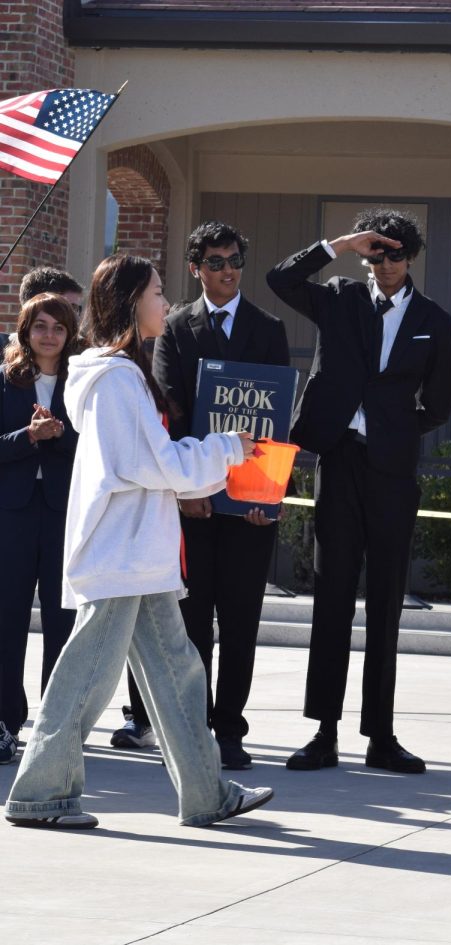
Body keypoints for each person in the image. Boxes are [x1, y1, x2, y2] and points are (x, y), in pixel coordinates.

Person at [4, 254, 273, 829]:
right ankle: (41, 792)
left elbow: (151, 466)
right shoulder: (115, 380)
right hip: (120, 555)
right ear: (131, 303)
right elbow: (148, 464)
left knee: (178, 677)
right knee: (84, 680)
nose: (166, 302)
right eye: (157, 292)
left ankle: (205, 794)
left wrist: (218, 454)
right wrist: (225, 449)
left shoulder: (117, 375)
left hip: (137, 555)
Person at [268, 207, 451, 774]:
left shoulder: (433, 319)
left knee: (386, 601)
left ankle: (381, 735)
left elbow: (441, 402)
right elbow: (281, 279)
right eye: (378, 251)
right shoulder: (341, 296)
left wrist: (394, 430)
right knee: (331, 595)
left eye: (397, 253)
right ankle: (323, 732)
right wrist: (340, 244)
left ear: (413, 257)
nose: (387, 263)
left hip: (392, 470)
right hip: (339, 458)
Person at [109, 222, 291, 770]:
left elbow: (271, 418)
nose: (227, 270)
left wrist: (266, 494)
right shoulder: (176, 328)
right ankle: (191, 729)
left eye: (234, 259)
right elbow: (172, 414)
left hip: (248, 504)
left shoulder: (269, 327)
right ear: (196, 269)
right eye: (215, 262)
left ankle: (230, 731)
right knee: (191, 625)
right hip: (193, 502)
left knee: (240, 621)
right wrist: (188, 489)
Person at [0, 293, 80, 765]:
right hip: (12, 513)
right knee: (7, 619)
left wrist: (59, 434)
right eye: (40, 326)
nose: (49, 335)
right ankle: (6, 722)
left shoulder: (81, 382)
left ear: (70, 335)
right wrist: (29, 436)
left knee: (62, 621)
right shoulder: (7, 380)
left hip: (64, 514)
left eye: (58, 327)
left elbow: (95, 446)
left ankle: (57, 724)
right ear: (26, 331)